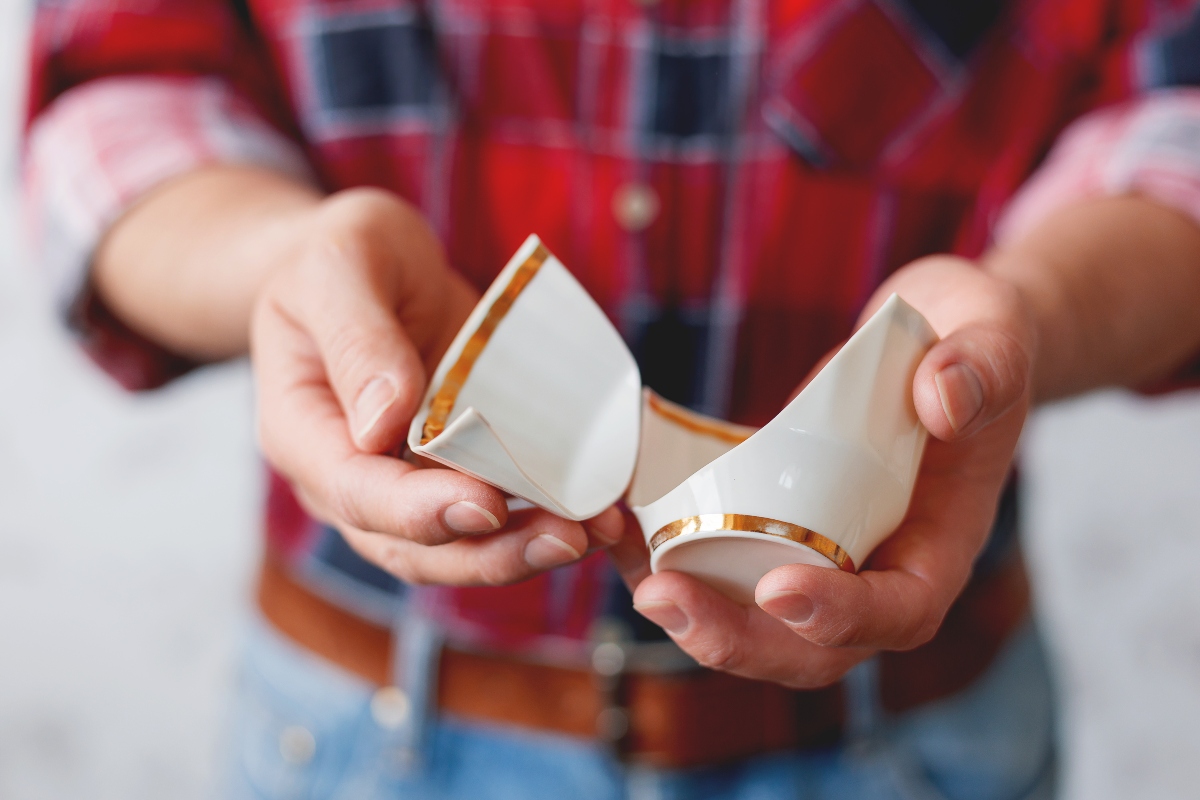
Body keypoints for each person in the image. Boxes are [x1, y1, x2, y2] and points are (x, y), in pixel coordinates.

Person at [22, 1, 1200, 797]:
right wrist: (283, 263)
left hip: (907, 731)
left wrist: (1025, 313)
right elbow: (120, 90)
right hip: (362, 720)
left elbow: (1176, 113)